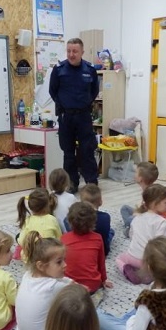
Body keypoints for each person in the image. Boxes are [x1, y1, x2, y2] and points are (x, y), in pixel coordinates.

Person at [49, 38, 100, 193]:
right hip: (66, 117)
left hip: (84, 116)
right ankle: (72, 183)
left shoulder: (90, 70)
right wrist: (65, 105)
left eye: (75, 51)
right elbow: (53, 91)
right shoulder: (59, 69)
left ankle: (91, 182)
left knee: (87, 150)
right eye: (69, 51)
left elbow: (94, 92)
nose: (71, 54)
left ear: (82, 52)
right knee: (68, 152)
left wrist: (82, 104)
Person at [16, 231, 71, 330]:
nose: (65, 265)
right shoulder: (53, 287)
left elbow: (64, 281)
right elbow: (78, 291)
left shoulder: (28, 275)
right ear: (41, 266)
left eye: (64, 260)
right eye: (59, 262)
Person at [116, 184, 166, 284]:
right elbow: (161, 246)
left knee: (119, 258)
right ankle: (149, 275)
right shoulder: (161, 222)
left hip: (132, 256)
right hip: (148, 262)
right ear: (155, 204)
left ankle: (125, 268)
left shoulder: (137, 218)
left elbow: (132, 236)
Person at [62, 202, 112, 293]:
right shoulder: (97, 238)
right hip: (92, 287)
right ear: (93, 221)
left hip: (71, 288)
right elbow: (101, 262)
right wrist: (104, 280)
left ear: (69, 221)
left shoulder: (63, 239)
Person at [17, 188, 62, 261]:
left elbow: (21, 241)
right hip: (49, 256)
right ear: (47, 205)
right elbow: (59, 238)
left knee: (19, 237)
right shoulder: (52, 219)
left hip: (31, 259)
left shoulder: (27, 220)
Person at [120, 161, 160, 237]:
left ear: (141, 179)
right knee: (124, 208)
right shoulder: (146, 189)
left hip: (149, 219)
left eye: (136, 173)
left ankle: (133, 230)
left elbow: (151, 214)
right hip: (144, 214)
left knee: (129, 220)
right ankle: (133, 227)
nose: (134, 175)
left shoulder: (151, 193)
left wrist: (138, 214)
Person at [79, 183, 114, 256]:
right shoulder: (105, 217)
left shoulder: (78, 217)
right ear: (100, 202)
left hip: (83, 249)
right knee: (111, 231)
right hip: (102, 252)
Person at [49, 168, 77, 233]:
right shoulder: (71, 197)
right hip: (69, 232)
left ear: (50, 184)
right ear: (67, 183)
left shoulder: (48, 197)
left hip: (54, 233)